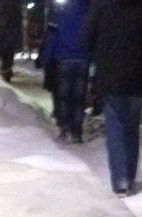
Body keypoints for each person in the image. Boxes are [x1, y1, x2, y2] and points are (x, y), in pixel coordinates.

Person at [80, 0, 142, 195]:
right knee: (132, 129)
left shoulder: (101, 5)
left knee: (115, 128)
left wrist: (100, 52)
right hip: (137, 77)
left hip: (109, 76)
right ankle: (129, 177)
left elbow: (85, 38)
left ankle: (120, 180)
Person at [45, 0, 90, 142]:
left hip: (63, 59)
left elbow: (51, 38)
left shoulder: (59, 15)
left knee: (63, 97)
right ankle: (77, 132)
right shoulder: (87, 15)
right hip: (83, 60)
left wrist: (47, 58)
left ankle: (64, 128)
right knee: (78, 98)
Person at [0, 0, 24, 82]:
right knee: (8, 58)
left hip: (5, 42)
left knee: (6, 58)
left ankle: (6, 73)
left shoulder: (3, 25)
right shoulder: (12, 24)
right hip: (9, 42)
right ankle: (6, 73)